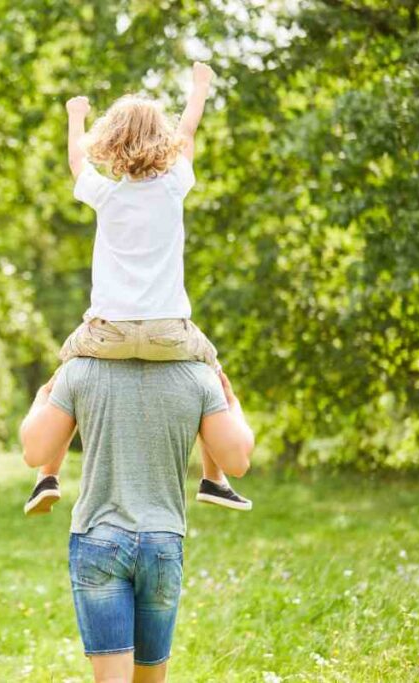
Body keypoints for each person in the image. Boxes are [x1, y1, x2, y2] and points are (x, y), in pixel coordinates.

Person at [23, 62, 252, 517]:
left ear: (110, 143)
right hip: (170, 331)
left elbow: (75, 161)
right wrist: (200, 87)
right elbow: (188, 128)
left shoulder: (106, 195)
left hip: (107, 331)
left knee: (63, 373)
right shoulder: (174, 187)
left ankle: (45, 475)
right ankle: (214, 478)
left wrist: (75, 116)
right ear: (165, 143)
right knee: (213, 373)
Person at [20, 358, 254, 683]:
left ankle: (46, 481)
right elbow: (238, 461)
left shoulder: (79, 370)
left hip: (97, 537)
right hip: (162, 541)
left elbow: (34, 452)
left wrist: (44, 396)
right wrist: (231, 403)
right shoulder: (199, 376)